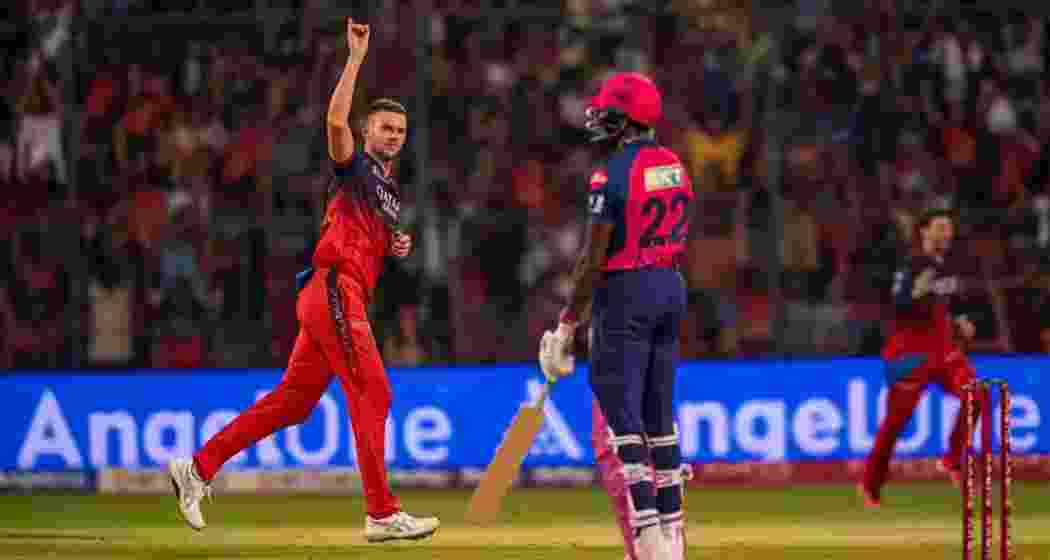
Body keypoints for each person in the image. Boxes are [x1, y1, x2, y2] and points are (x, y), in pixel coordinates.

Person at [168, 19, 439, 542]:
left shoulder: (387, 192)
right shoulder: (353, 166)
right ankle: (382, 513)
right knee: (374, 392)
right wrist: (356, 57)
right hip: (336, 289)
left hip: (331, 293)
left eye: (400, 131)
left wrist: (395, 243)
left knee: (293, 401)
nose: (394, 136)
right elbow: (334, 118)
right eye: (385, 127)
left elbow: (370, 238)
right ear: (368, 132)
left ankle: (197, 469)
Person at [539, 72, 694, 560]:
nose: (599, 120)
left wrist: (567, 324)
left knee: (619, 424)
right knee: (660, 421)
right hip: (670, 286)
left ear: (626, 119)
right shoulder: (675, 165)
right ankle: (672, 537)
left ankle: (648, 543)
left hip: (626, 291)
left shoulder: (611, 171)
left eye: (607, 112)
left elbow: (593, 256)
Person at [859, 208, 980, 507]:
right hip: (908, 355)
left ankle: (952, 459)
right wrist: (915, 293)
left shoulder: (950, 266)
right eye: (939, 227)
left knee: (977, 394)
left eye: (948, 228)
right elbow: (898, 306)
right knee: (895, 423)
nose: (945, 233)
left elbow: (951, 301)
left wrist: (961, 319)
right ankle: (871, 482)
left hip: (944, 351)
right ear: (924, 232)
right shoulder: (911, 265)